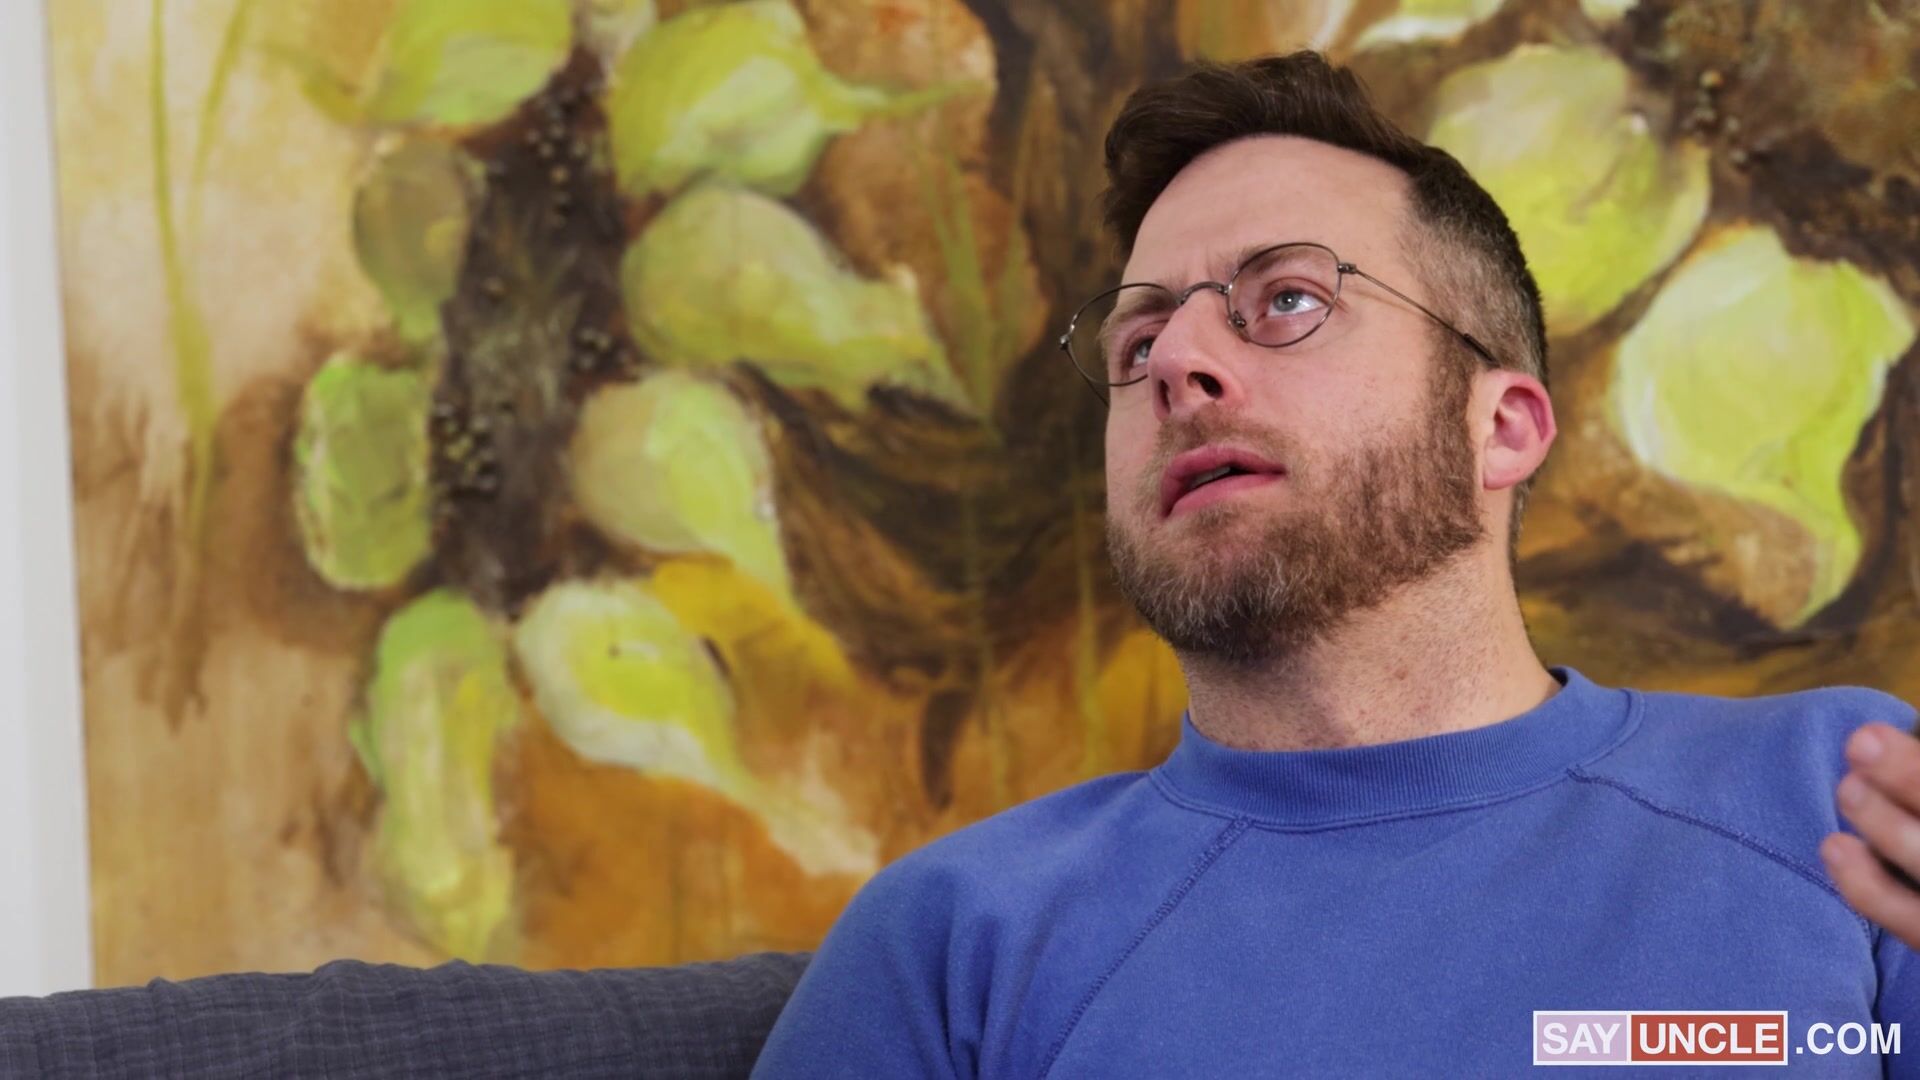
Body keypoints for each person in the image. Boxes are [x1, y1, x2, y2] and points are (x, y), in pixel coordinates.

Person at [749, 51, 1920, 1078]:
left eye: (1289, 299)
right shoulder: (950, 942)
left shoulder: (1841, 794)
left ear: (1500, 428)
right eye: (1139, 341)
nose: (1178, 363)